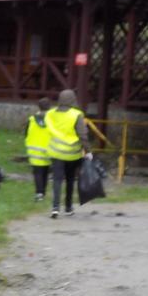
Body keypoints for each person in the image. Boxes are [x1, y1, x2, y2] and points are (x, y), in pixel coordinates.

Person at [45, 89, 92, 218]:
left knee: (57, 180)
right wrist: (88, 151)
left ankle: (55, 208)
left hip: (55, 152)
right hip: (72, 154)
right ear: (73, 100)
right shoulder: (76, 114)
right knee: (70, 180)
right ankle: (68, 207)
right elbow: (82, 135)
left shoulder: (51, 113)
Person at [25, 97, 52, 201]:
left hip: (34, 151)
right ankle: (43, 192)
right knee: (45, 171)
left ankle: (39, 193)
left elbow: (26, 133)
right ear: (49, 107)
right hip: (48, 150)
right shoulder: (52, 120)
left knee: (37, 172)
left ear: (38, 107)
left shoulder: (31, 119)